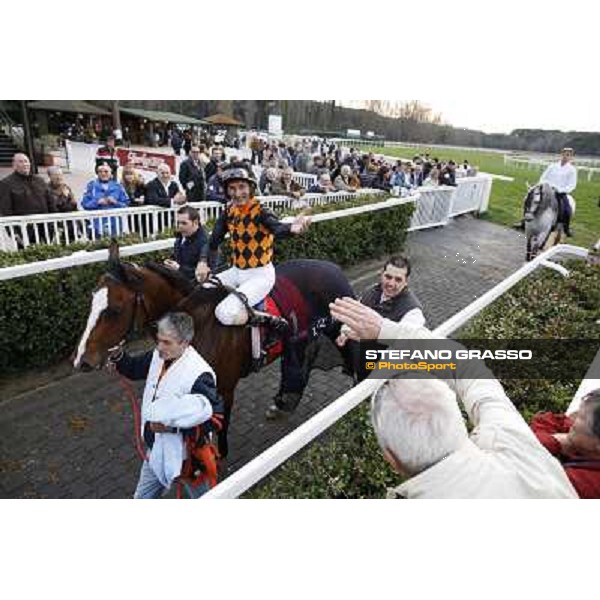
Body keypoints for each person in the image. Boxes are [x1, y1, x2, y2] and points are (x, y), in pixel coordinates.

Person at [328, 298, 578, 499]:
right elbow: (466, 366)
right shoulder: (517, 447)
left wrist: (382, 330)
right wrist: (385, 329)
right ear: (459, 416)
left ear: (392, 460)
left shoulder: (514, 442)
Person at [109, 312, 223, 498]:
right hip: (155, 453)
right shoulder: (158, 355)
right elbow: (134, 368)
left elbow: (216, 419)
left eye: (167, 342)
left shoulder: (200, 373)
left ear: (185, 343)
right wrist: (118, 356)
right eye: (159, 340)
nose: (160, 347)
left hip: (188, 460)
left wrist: (171, 428)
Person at [195, 164, 311, 331]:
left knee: (224, 313)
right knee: (201, 292)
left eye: (242, 187)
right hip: (236, 271)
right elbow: (212, 241)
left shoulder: (261, 211)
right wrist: (203, 261)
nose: (237, 193)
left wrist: (291, 229)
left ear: (250, 188)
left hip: (260, 275)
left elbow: (276, 228)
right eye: (232, 188)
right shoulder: (229, 212)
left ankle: (269, 321)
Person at [530, 388, 600, 498]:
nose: (573, 418)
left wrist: (555, 442)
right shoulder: (588, 442)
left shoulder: (578, 484)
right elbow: (547, 419)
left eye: (581, 417)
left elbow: (525, 450)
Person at [81, 162, 130, 237]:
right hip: (96, 225)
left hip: (115, 224)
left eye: (106, 171)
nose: (103, 174)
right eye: (100, 172)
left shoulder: (118, 186)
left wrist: (115, 202)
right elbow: (84, 204)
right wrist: (97, 202)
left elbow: (126, 204)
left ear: (111, 173)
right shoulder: (91, 186)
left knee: (115, 246)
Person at [164, 206, 209, 282]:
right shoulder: (181, 237)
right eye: (178, 222)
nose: (180, 226)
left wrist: (179, 268)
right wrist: (170, 262)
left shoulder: (205, 243)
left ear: (195, 222)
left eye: (184, 223)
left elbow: (203, 274)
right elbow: (176, 256)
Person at [539, 147, 577, 236]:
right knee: (533, 201)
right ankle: (524, 222)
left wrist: (560, 190)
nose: (565, 156)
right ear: (561, 154)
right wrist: (546, 185)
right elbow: (543, 178)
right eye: (564, 154)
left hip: (560, 192)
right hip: (547, 190)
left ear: (571, 157)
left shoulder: (572, 170)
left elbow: (572, 185)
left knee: (567, 210)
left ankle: (566, 228)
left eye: (568, 155)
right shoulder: (552, 166)